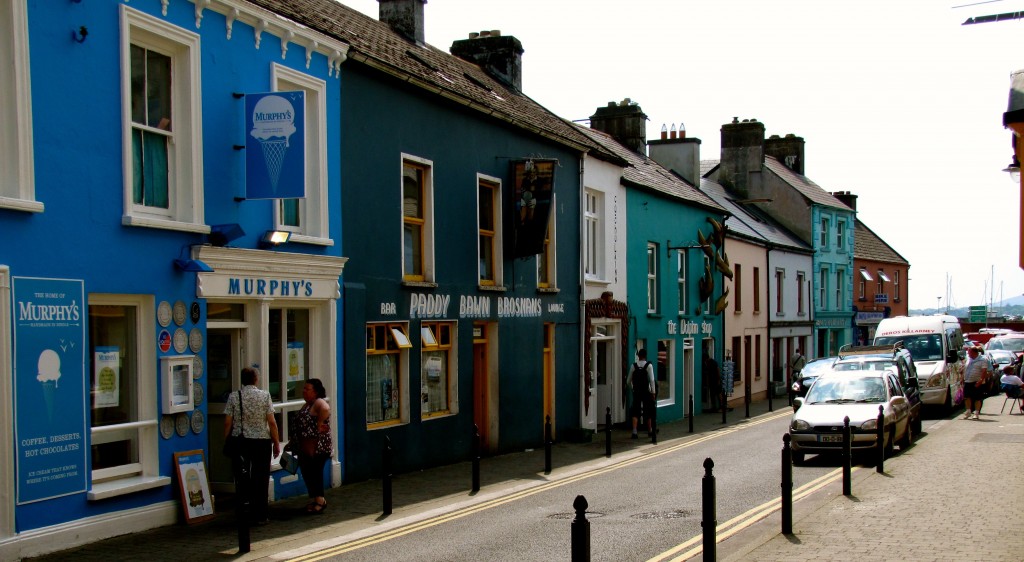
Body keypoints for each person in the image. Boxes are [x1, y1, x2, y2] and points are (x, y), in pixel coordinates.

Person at [224, 367, 281, 526]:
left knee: (242, 478)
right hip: (261, 442)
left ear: (242, 380)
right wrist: (276, 443)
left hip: (240, 441)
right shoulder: (265, 396)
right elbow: (271, 422)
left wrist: (226, 439)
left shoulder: (234, 396)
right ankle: (260, 515)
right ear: (256, 379)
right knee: (260, 477)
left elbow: (228, 422)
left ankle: (243, 512)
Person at [288, 378, 332, 514]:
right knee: (308, 473)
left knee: (315, 472)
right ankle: (315, 499)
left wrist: (320, 423)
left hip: (318, 447)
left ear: (316, 391)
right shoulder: (307, 405)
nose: (304, 391)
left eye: (307, 389)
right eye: (304, 388)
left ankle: (320, 501)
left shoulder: (318, 402)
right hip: (305, 447)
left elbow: (326, 409)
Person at [630, 349, 655, 439]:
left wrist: (633, 388)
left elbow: (628, 381)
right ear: (645, 356)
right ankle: (650, 430)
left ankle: (634, 432)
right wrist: (653, 392)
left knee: (635, 411)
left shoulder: (633, 366)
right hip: (645, 391)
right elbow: (652, 380)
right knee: (647, 410)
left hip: (636, 391)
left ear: (638, 356)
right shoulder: (649, 366)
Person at [961, 346, 991, 420]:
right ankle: (968, 411)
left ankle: (976, 413)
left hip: (977, 381)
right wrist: (962, 378)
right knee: (966, 397)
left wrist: (980, 380)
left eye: (969, 352)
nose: (968, 353)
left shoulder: (983, 359)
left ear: (974, 352)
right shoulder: (968, 359)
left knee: (977, 398)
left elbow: (984, 371)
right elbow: (965, 369)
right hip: (968, 380)